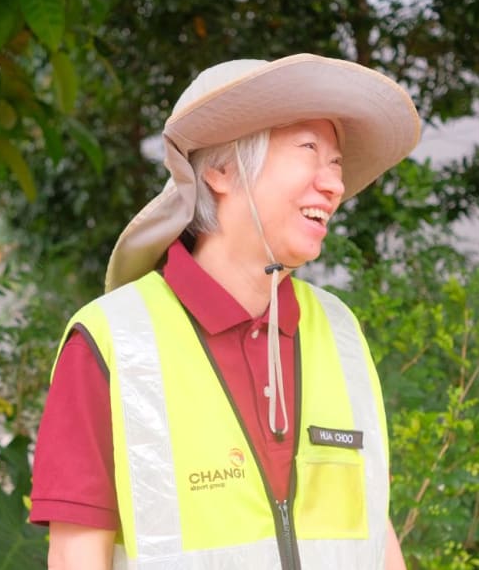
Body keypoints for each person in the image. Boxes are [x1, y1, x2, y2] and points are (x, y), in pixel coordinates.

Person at [30, 53, 421, 569]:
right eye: (309, 149)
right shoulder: (112, 341)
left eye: (336, 162)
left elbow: (373, 529)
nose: (334, 185)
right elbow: (77, 555)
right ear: (219, 168)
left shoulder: (340, 331)